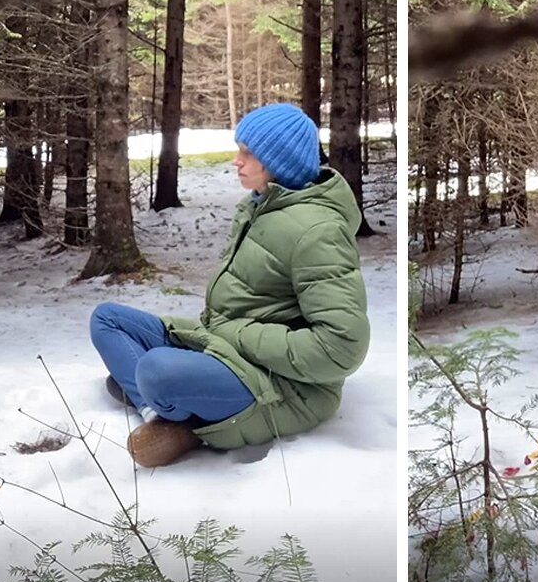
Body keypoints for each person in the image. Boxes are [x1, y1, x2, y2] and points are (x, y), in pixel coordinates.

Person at [88, 102, 370, 467]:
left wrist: (238, 333)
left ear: (278, 162)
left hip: (281, 386)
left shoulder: (318, 231)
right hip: (224, 348)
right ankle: (156, 410)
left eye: (248, 153)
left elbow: (341, 349)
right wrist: (225, 334)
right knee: (107, 319)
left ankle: (171, 404)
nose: (237, 161)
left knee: (156, 370)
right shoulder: (262, 206)